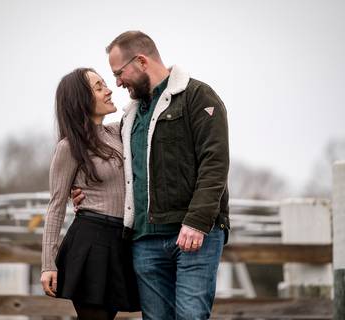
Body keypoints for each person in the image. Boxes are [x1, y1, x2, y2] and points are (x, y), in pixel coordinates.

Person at [74, 31, 230, 319]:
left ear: (142, 61)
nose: (117, 83)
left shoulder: (198, 97)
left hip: (194, 236)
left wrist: (196, 222)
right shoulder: (129, 117)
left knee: (191, 316)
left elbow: (215, 163)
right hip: (145, 241)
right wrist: (85, 190)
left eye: (119, 73)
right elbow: (113, 169)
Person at [40, 67, 140, 320]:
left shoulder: (119, 132)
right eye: (99, 87)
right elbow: (56, 205)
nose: (109, 91)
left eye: (106, 84)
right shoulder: (69, 147)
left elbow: (142, 105)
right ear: (81, 99)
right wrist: (48, 264)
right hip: (90, 245)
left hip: (124, 242)